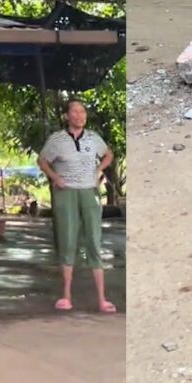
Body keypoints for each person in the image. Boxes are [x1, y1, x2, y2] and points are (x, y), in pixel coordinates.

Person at [37, 99, 116, 314]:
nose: (80, 115)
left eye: (83, 112)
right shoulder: (57, 140)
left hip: (89, 191)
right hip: (66, 193)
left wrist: (99, 169)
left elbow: (108, 154)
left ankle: (102, 299)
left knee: (94, 240)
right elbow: (42, 160)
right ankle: (66, 295)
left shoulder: (93, 138)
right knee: (67, 240)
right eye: (75, 111)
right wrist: (54, 177)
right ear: (66, 116)